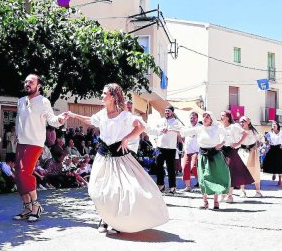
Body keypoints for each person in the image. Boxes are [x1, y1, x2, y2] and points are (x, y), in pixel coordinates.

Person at [67, 83, 168, 233]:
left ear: (113, 97)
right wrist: (73, 115)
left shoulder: (124, 115)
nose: (101, 96)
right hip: (103, 156)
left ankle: (113, 221)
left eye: (104, 93)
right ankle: (105, 217)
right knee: (97, 189)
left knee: (119, 190)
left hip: (119, 157)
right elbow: (91, 121)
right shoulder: (102, 114)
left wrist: (126, 138)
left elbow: (140, 127)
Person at [13, 74, 67, 222]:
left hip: (35, 143)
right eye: (26, 82)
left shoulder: (43, 102)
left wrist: (60, 120)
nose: (27, 84)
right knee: (18, 176)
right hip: (21, 143)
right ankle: (27, 207)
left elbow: (52, 120)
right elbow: (19, 121)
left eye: (31, 82)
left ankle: (36, 206)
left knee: (25, 173)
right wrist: (16, 135)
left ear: (39, 85)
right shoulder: (21, 101)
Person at [180, 111, 230, 210]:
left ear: (211, 119)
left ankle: (216, 201)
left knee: (215, 178)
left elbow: (228, 135)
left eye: (207, 117)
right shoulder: (199, 129)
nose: (205, 118)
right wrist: (176, 128)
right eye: (203, 117)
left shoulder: (217, 128)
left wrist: (221, 144)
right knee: (203, 179)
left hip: (215, 155)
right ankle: (205, 201)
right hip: (203, 155)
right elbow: (184, 132)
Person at [219, 111, 254, 202]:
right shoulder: (220, 126)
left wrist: (238, 143)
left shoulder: (234, 126)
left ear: (227, 117)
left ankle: (230, 196)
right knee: (222, 173)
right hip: (222, 151)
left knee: (231, 173)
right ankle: (223, 193)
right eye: (221, 115)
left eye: (223, 115)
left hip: (231, 151)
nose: (221, 117)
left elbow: (245, 134)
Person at [151, 105, 182, 194]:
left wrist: (170, 129)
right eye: (165, 111)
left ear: (172, 112)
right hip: (160, 147)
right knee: (158, 166)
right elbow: (155, 131)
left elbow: (180, 130)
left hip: (171, 148)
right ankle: (161, 185)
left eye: (168, 111)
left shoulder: (176, 122)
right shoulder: (160, 121)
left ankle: (172, 187)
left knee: (171, 168)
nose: (166, 112)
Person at [238, 116, 263, 197]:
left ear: (248, 122)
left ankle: (258, 191)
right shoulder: (239, 131)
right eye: (240, 121)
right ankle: (242, 191)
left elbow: (261, 140)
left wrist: (257, 146)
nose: (241, 123)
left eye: (243, 121)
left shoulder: (253, 131)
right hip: (242, 151)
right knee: (241, 171)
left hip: (252, 152)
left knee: (255, 171)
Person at [262, 121, 282, 186]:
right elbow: (265, 139)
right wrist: (265, 147)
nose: (274, 125)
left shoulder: (281, 133)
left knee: (280, 164)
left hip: (279, 149)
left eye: (275, 124)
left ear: (277, 126)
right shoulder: (269, 133)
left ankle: (280, 180)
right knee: (269, 162)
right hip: (272, 149)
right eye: (272, 125)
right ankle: (273, 173)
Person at [181, 112, 200, 192]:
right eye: (191, 118)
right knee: (185, 168)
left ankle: (201, 182)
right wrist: (184, 144)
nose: (192, 119)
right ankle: (188, 187)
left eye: (194, 118)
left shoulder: (200, 127)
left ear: (197, 118)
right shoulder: (186, 127)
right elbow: (182, 136)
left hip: (196, 151)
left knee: (194, 167)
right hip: (187, 150)